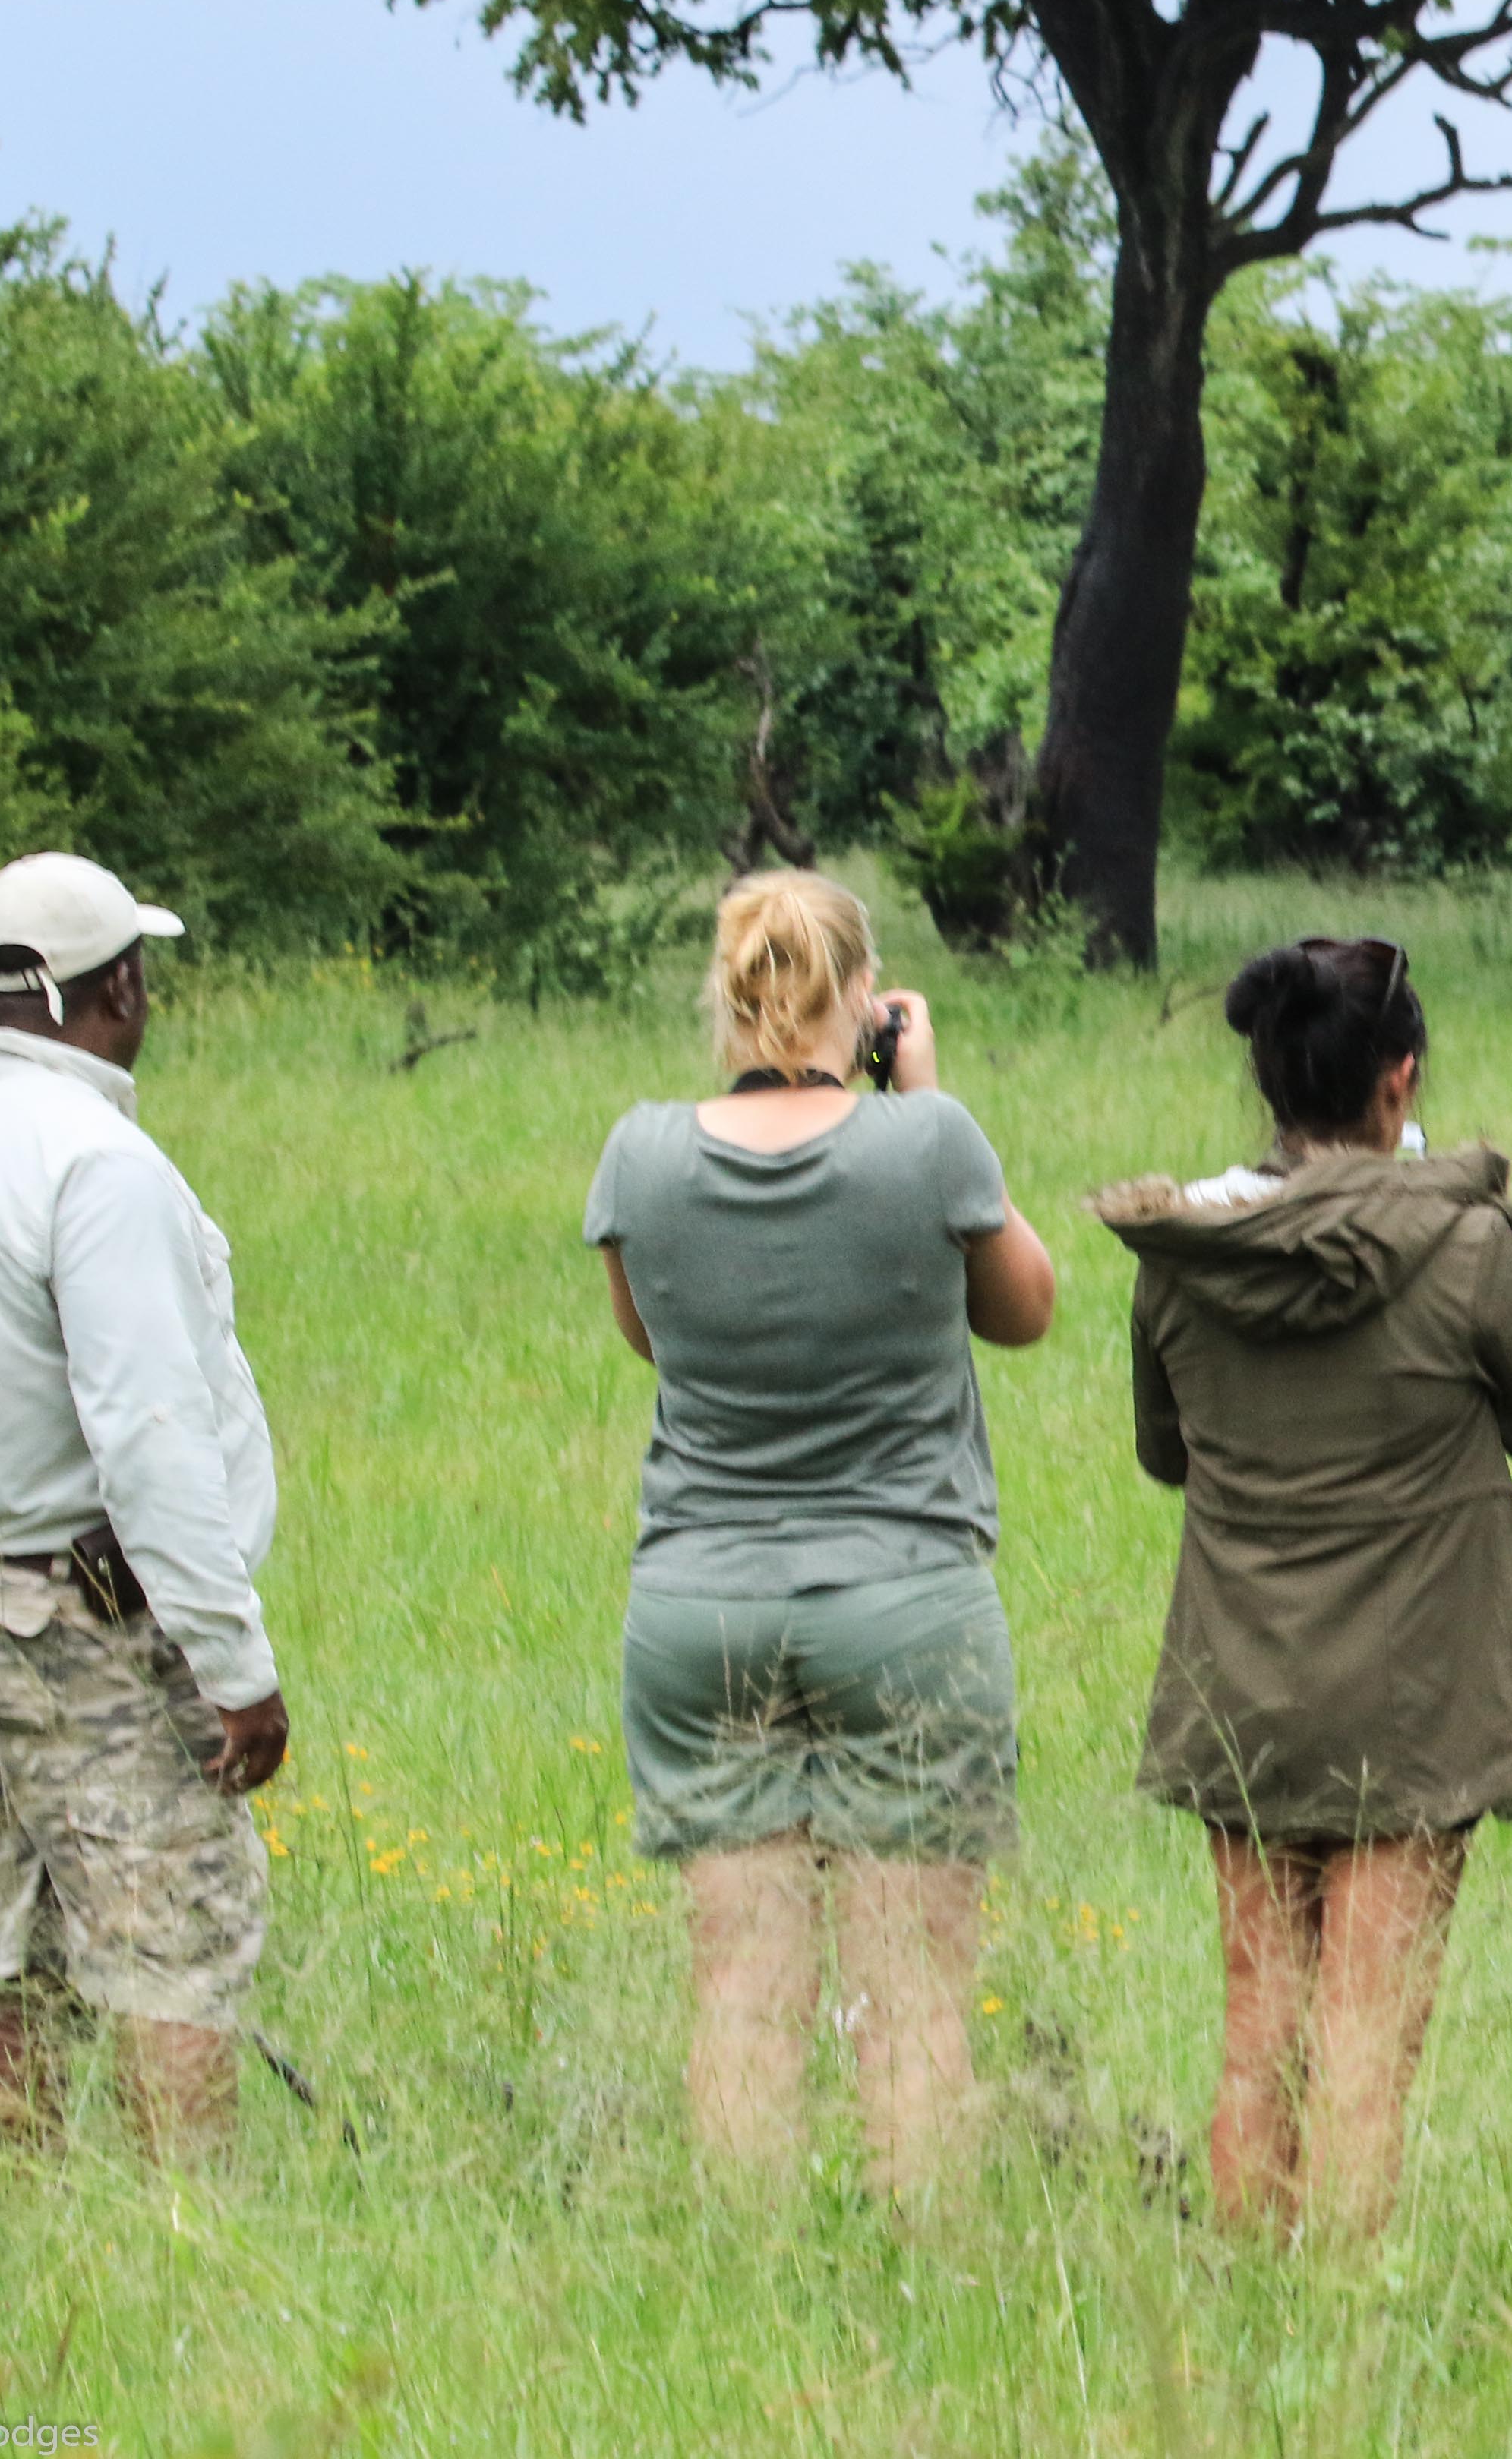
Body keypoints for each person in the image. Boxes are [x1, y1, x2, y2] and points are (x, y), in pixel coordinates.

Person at [1089, 937, 1512, 2242]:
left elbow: (1164, 1454)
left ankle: (1252, 2326)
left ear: (1268, 1083)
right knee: (1369, 2046)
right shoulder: (1468, 1248)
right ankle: (1339, 2342)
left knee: (1259, 2032)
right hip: (1416, 1703)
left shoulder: (1185, 1254)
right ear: (1399, 1078)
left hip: (1244, 1689)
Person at [585, 870, 1056, 2200]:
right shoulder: (930, 1141)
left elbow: (650, 1339)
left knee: (741, 1988)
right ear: (862, 999)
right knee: (912, 2001)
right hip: (904, 1598)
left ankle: (753, 2271)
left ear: (729, 1004)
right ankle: (923, 2264)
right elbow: (1023, 1308)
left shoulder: (643, 1155)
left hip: (698, 1604)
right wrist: (915, 1096)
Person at [0, 853, 292, 2161]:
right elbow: (150, 1435)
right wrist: (234, 1664)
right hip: (66, 1616)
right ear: (116, 989)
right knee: (170, 1937)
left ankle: (26, 2230)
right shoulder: (98, 1165)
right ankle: (185, 2245)